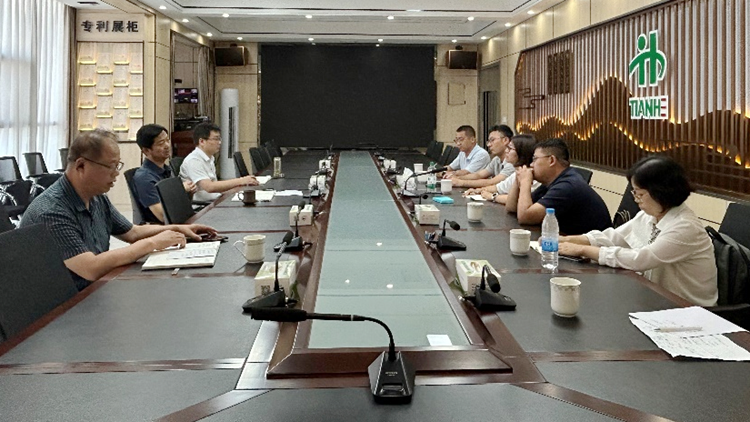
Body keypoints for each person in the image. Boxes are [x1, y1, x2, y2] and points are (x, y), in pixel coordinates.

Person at [20, 129, 217, 291]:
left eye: (118, 166)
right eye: (111, 166)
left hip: (94, 292)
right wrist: (153, 243)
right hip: (63, 307)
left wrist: (178, 229)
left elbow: (132, 232)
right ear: (81, 165)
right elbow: (90, 268)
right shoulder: (51, 211)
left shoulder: (96, 197)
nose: (116, 174)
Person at [558, 156, 718, 306]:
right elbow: (615, 237)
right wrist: (567, 240)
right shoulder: (651, 215)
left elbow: (639, 260)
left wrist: (582, 249)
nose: (635, 199)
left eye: (639, 194)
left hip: (687, 309)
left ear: (661, 192)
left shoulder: (685, 227)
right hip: (654, 296)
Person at [506, 138, 612, 234]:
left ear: (551, 160)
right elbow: (511, 207)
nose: (531, 165)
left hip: (590, 246)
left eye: (535, 159)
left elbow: (525, 217)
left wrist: (525, 182)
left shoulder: (568, 186)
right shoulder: (552, 181)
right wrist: (518, 179)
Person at [132, 124, 197, 223]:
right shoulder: (144, 177)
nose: (167, 146)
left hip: (181, 221)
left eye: (167, 140)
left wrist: (189, 192)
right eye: (161, 143)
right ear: (146, 150)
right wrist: (179, 189)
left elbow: (182, 207)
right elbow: (163, 216)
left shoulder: (167, 169)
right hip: (162, 228)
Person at [179, 122, 258, 203]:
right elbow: (209, 187)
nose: (219, 142)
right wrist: (241, 181)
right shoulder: (193, 160)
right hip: (203, 206)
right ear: (202, 141)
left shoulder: (210, 158)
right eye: (216, 139)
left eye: (219, 139)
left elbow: (216, 187)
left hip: (215, 200)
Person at [463, 134, 540, 205]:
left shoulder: (534, 176)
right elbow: (498, 188)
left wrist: (493, 196)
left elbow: (519, 200)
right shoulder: (517, 173)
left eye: (510, 148)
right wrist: (478, 191)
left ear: (522, 152)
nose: (506, 151)